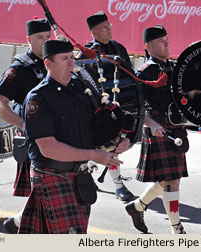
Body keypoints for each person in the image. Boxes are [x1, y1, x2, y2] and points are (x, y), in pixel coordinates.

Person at [18, 38, 130, 234]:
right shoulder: (38, 98)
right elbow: (48, 147)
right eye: (64, 59)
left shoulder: (81, 90)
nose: (72, 63)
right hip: (52, 176)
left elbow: (94, 129)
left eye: (72, 57)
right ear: (48, 63)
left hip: (78, 177)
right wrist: (94, 155)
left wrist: (116, 140)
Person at [125, 25, 188, 234]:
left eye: (167, 39)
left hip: (176, 128)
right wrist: (152, 125)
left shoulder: (177, 70)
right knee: (171, 182)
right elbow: (135, 107)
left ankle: (138, 206)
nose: (167, 43)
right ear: (148, 46)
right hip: (158, 129)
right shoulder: (144, 73)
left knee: (169, 180)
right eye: (161, 40)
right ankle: (176, 229)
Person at [0, 18, 51, 234]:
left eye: (48, 37)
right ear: (28, 40)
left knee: (49, 192)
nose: (45, 42)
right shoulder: (20, 67)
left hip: (58, 136)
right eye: (39, 38)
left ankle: (18, 222)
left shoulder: (55, 62)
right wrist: (23, 125)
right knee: (46, 192)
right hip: (34, 139)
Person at [78, 11, 134, 201]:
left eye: (109, 26)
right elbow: (81, 79)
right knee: (109, 144)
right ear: (94, 32)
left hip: (120, 102)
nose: (109, 30)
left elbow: (129, 74)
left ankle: (89, 171)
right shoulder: (86, 52)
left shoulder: (119, 48)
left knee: (111, 145)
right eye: (104, 27)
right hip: (98, 108)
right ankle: (118, 186)